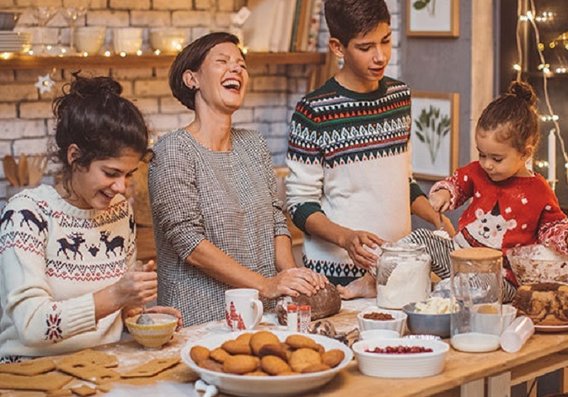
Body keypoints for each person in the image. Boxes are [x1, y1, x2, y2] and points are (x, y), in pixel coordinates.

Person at [149, 32, 327, 327]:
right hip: (200, 320)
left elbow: (276, 222)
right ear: (191, 79)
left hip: (264, 314)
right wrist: (265, 284)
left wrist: (292, 280)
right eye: (223, 61)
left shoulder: (253, 145)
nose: (236, 69)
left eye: (241, 65)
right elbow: (190, 244)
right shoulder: (172, 151)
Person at [0, 74, 180, 363]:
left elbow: (119, 309)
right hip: (28, 373)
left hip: (102, 364)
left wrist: (141, 318)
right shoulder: (26, 213)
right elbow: (31, 326)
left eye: (128, 174)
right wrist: (117, 295)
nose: (121, 187)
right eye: (111, 173)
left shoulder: (119, 210)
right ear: (75, 156)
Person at [285, 0, 454, 300]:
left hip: (398, 268)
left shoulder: (399, 96)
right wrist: (347, 238)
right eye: (365, 47)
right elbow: (300, 204)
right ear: (338, 47)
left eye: (386, 41)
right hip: (336, 275)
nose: (380, 56)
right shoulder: (313, 111)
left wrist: (434, 217)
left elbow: (403, 181)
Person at [428, 81, 568, 300]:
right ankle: (379, 276)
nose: (487, 164)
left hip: (500, 279)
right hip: (458, 259)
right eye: (481, 154)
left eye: (496, 158)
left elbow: (552, 227)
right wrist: (444, 193)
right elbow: (457, 184)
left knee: (478, 284)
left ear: (525, 153)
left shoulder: (538, 191)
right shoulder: (477, 172)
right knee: (420, 239)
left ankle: (448, 295)